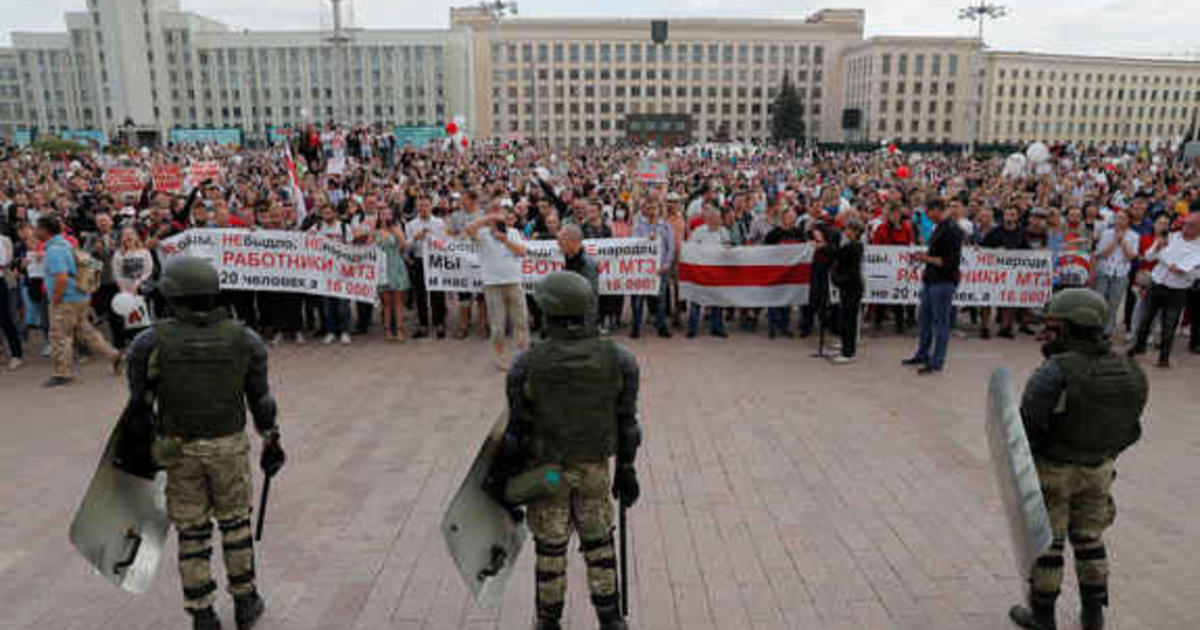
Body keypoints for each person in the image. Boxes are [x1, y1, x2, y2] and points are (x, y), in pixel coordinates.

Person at [120, 257, 285, 630]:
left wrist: (137, 454)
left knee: (192, 533)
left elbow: (139, 405)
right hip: (228, 446)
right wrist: (271, 439)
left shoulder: (149, 342)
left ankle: (202, 613)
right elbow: (261, 399)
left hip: (177, 449)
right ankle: (245, 601)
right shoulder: (245, 338)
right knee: (236, 526)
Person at [487, 271, 641, 630]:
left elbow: (516, 434)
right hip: (594, 471)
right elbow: (628, 427)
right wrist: (627, 470)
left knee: (550, 551)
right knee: (600, 545)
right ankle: (611, 618)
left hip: (549, 474)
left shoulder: (527, 364)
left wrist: (500, 479)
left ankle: (548, 622)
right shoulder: (620, 359)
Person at [1009, 289, 1147, 630]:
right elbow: (1130, 430)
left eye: (1055, 325)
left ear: (1072, 327)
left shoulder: (1055, 370)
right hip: (1099, 470)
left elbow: (1026, 427)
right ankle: (1093, 615)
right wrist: (1100, 454)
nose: (1048, 332)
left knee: (1049, 546)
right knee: (1089, 540)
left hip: (1054, 469)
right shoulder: (1130, 370)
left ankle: (1042, 617)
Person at [38, 216, 122, 387]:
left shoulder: (54, 250)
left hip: (66, 299)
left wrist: (55, 299)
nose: (35, 231)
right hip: (79, 296)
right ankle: (114, 355)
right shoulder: (66, 244)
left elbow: (61, 278)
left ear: (45, 230)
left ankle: (62, 374)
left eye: (37, 228)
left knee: (60, 336)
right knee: (86, 332)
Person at [1128, 213, 1200, 368]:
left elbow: (1197, 274)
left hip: (1177, 290)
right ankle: (1139, 346)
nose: (1185, 227)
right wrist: (1157, 246)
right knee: (1145, 318)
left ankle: (1164, 357)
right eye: (1185, 223)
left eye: (1191, 225)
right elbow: (1148, 257)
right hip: (1157, 283)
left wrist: (1186, 272)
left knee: (1169, 324)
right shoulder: (1172, 237)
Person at [466, 200, 530, 369]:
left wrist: (504, 239)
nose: (498, 216)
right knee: (497, 326)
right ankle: (502, 358)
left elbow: (522, 252)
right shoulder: (483, 233)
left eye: (500, 212)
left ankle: (522, 356)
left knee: (521, 321)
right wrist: (488, 218)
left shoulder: (514, 232)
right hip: (492, 283)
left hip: (513, 281)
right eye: (495, 213)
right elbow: (469, 229)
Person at [902, 198, 963, 375]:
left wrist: (925, 258)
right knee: (924, 320)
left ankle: (937, 361)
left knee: (940, 323)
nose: (927, 217)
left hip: (943, 282)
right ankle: (922, 354)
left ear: (936, 210)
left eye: (928, 213)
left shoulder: (953, 230)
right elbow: (937, 253)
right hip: (931, 280)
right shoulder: (940, 227)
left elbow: (950, 262)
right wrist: (924, 255)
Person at [405, 196, 448, 339]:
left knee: (438, 292)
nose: (423, 208)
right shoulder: (411, 224)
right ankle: (423, 325)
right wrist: (415, 238)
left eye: (426, 205)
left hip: (435, 260)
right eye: (420, 206)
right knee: (421, 294)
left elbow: (445, 242)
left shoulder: (439, 223)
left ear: (431, 206)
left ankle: (439, 323)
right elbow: (407, 246)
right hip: (419, 260)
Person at [630, 201, 674, 339]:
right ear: (644, 209)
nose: (651, 211)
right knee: (638, 299)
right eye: (649, 208)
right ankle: (636, 326)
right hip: (643, 269)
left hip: (660, 269)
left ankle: (661, 326)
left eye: (654, 207)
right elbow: (633, 244)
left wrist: (666, 265)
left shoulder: (666, 226)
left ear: (659, 209)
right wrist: (647, 240)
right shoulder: (639, 226)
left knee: (660, 300)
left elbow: (670, 248)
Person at [1091, 211, 1139, 337]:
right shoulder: (1106, 233)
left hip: (1121, 273)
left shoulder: (1134, 236)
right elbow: (1103, 253)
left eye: (1123, 218)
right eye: (1117, 218)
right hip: (1104, 270)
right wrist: (1114, 241)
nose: (1119, 220)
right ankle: (1094, 328)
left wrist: (1122, 241)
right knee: (1098, 301)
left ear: (1128, 220)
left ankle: (1107, 330)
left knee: (1113, 304)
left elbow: (1130, 256)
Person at [685, 207, 730, 339]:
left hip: (717, 273)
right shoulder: (698, 232)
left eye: (718, 218)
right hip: (701, 272)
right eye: (714, 218)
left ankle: (717, 328)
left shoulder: (724, 232)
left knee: (717, 301)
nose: (717, 221)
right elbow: (690, 248)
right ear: (708, 219)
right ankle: (692, 329)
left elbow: (728, 247)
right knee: (696, 301)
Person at [763, 207, 807, 338]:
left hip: (791, 274)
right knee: (773, 300)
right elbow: (764, 251)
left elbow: (805, 249)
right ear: (782, 218)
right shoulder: (773, 234)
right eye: (788, 217)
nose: (791, 220)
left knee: (787, 300)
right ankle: (772, 327)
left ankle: (785, 326)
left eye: (793, 217)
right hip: (776, 273)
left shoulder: (799, 233)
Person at [829, 218, 865, 364]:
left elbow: (837, 255)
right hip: (847, 287)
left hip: (852, 288)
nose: (846, 231)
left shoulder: (854, 247)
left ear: (855, 232)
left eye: (849, 229)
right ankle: (845, 345)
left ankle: (848, 352)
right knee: (844, 317)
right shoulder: (850, 245)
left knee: (849, 320)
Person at [557, 224, 600, 327]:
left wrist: (588, 324)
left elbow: (591, 296)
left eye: (561, 240)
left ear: (573, 241)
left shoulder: (587, 263)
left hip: (582, 321)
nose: (558, 244)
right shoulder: (567, 258)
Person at [377, 212, 410, 341]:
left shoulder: (397, 229)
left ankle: (400, 329)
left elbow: (404, 246)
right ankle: (388, 330)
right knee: (386, 303)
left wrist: (396, 232)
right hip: (383, 268)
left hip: (396, 266)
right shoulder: (376, 232)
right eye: (383, 215)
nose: (386, 217)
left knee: (398, 302)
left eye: (388, 214)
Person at [0, 229, 22, 370]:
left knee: (5, 319)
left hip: (1, 280)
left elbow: (5, 260)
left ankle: (16, 354)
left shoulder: (4, 240)